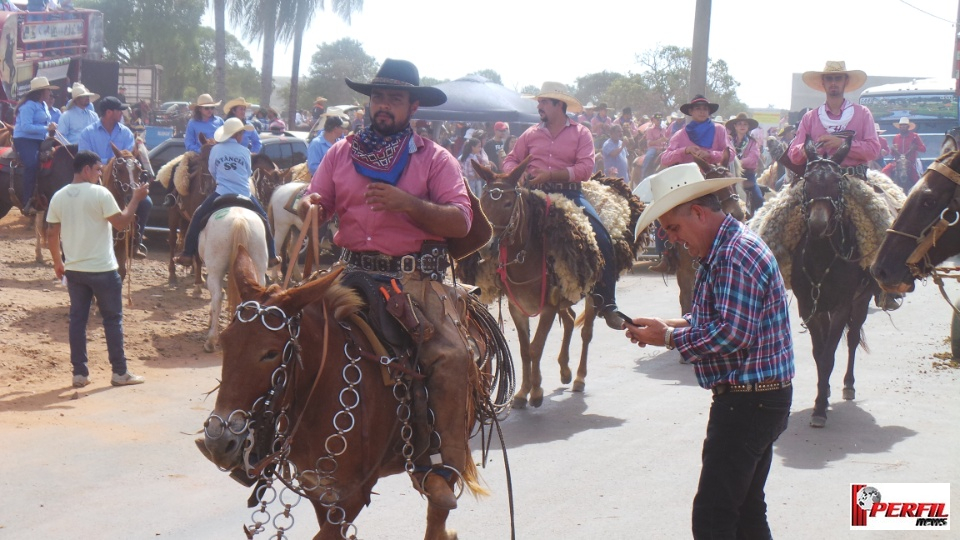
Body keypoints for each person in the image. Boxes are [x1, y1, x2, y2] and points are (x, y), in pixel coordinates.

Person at [298, 58, 482, 511]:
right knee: (280, 329)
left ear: (412, 106)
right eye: (378, 97)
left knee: (452, 356)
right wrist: (311, 206)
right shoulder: (341, 152)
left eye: (394, 99)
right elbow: (314, 197)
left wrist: (408, 203)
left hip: (414, 279)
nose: (383, 106)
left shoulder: (435, 159)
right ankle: (261, 441)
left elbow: (461, 221)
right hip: (348, 273)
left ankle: (442, 465)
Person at [625, 163, 794, 539]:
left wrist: (667, 339)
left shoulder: (734, 254)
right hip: (759, 399)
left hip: (748, 404)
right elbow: (712, 319)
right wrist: (665, 325)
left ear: (698, 213)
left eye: (673, 228)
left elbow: (733, 334)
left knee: (714, 518)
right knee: (746, 510)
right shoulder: (727, 248)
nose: (671, 239)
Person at [502, 81, 623, 330]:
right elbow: (512, 158)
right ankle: (498, 284)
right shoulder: (530, 133)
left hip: (569, 194)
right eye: (540, 101)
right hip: (532, 195)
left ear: (560, 105)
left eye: (545, 101)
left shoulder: (581, 133)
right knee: (501, 229)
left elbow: (585, 169)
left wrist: (551, 175)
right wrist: (516, 173)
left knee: (601, 237)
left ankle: (607, 302)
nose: (540, 105)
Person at [46, 150, 150, 388]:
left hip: (74, 270)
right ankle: (119, 372)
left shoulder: (59, 196)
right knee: (112, 320)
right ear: (86, 170)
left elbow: (52, 233)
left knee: (78, 321)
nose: (100, 175)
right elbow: (122, 222)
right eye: (97, 171)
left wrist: (57, 262)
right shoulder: (101, 193)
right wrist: (136, 199)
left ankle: (80, 374)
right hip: (103, 269)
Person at [174, 117, 278, 267]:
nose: (242, 135)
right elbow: (248, 172)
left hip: (221, 192)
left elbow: (212, 171)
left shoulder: (216, 149)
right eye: (241, 133)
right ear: (237, 135)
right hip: (244, 193)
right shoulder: (245, 151)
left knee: (197, 216)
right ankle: (272, 255)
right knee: (264, 218)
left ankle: (188, 254)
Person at [78, 96, 152, 259]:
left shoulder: (126, 132)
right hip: (93, 177)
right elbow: (83, 158)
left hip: (122, 179)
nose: (123, 113)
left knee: (146, 202)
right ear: (109, 112)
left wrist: (108, 163)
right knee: (78, 201)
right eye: (120, 110)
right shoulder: (88, 133)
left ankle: (135, 241)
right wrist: (107, 164)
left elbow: (128, 159)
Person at [787, 61, 880, 173]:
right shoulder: (810, 118)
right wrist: (810, 148)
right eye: (829, 78)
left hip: (855, 179)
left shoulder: (863, 113)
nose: (833, 83)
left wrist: (841, 144)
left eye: (838, 78)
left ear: (846, 81)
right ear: (823, 82)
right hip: (818, 180)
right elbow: (793, 155)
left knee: (886, 191)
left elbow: (873, 150)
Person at [13, 76, 59, 216]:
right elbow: (26, 127)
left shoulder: (43, 105)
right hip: (25, 139)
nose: (50, 93)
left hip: (40, 139)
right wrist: (46, 128)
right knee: (32, 164)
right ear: (40, 92)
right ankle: (27, 201)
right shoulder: (28, 106)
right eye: (47, 90)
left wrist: (50, 130)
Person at [661, 95, 734, 167]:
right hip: (688, 176)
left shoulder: (719, 129)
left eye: (705, 109)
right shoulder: (680, 134)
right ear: (690, 111)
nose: (702, 112)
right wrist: (685, 150)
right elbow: (664, 159)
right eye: (698, 108)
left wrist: (710, 154)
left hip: (715, 175)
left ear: (709, 112)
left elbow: (731, 154)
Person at [726, 112, 764, 211]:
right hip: (730, 174)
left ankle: (758, 221)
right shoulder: (728, 141)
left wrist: (736, 162)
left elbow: (753, 158)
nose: (742, 126)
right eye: (739, 124)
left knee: (759, 200)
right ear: (735, 126)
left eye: (745, 124)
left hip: (747, 175)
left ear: (748, 127)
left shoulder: (753, 142)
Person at [889, 116, 926, 187]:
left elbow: (923, 149)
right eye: (901, 125)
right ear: (899, 127)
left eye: (904, 125)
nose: (903, 127)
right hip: (898, 163)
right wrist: (893, 150)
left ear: (908, 127)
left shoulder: (914, 136)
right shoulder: (896, 137)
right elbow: (892, 153)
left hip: (910, 163)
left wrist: (915, 147)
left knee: (916, 180)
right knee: (885, 171)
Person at [640, 113, 669, 180]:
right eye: (658, 120)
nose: (659, 121)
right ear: (654, 120)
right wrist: (659, 140)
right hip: (653, 148)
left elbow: (667, 138)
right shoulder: (650, 130)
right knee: (649, 156)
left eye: (660, 120)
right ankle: (643, 174)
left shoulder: (664, 129)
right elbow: (649, 143)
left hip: (664, 148)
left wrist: (667, 140)